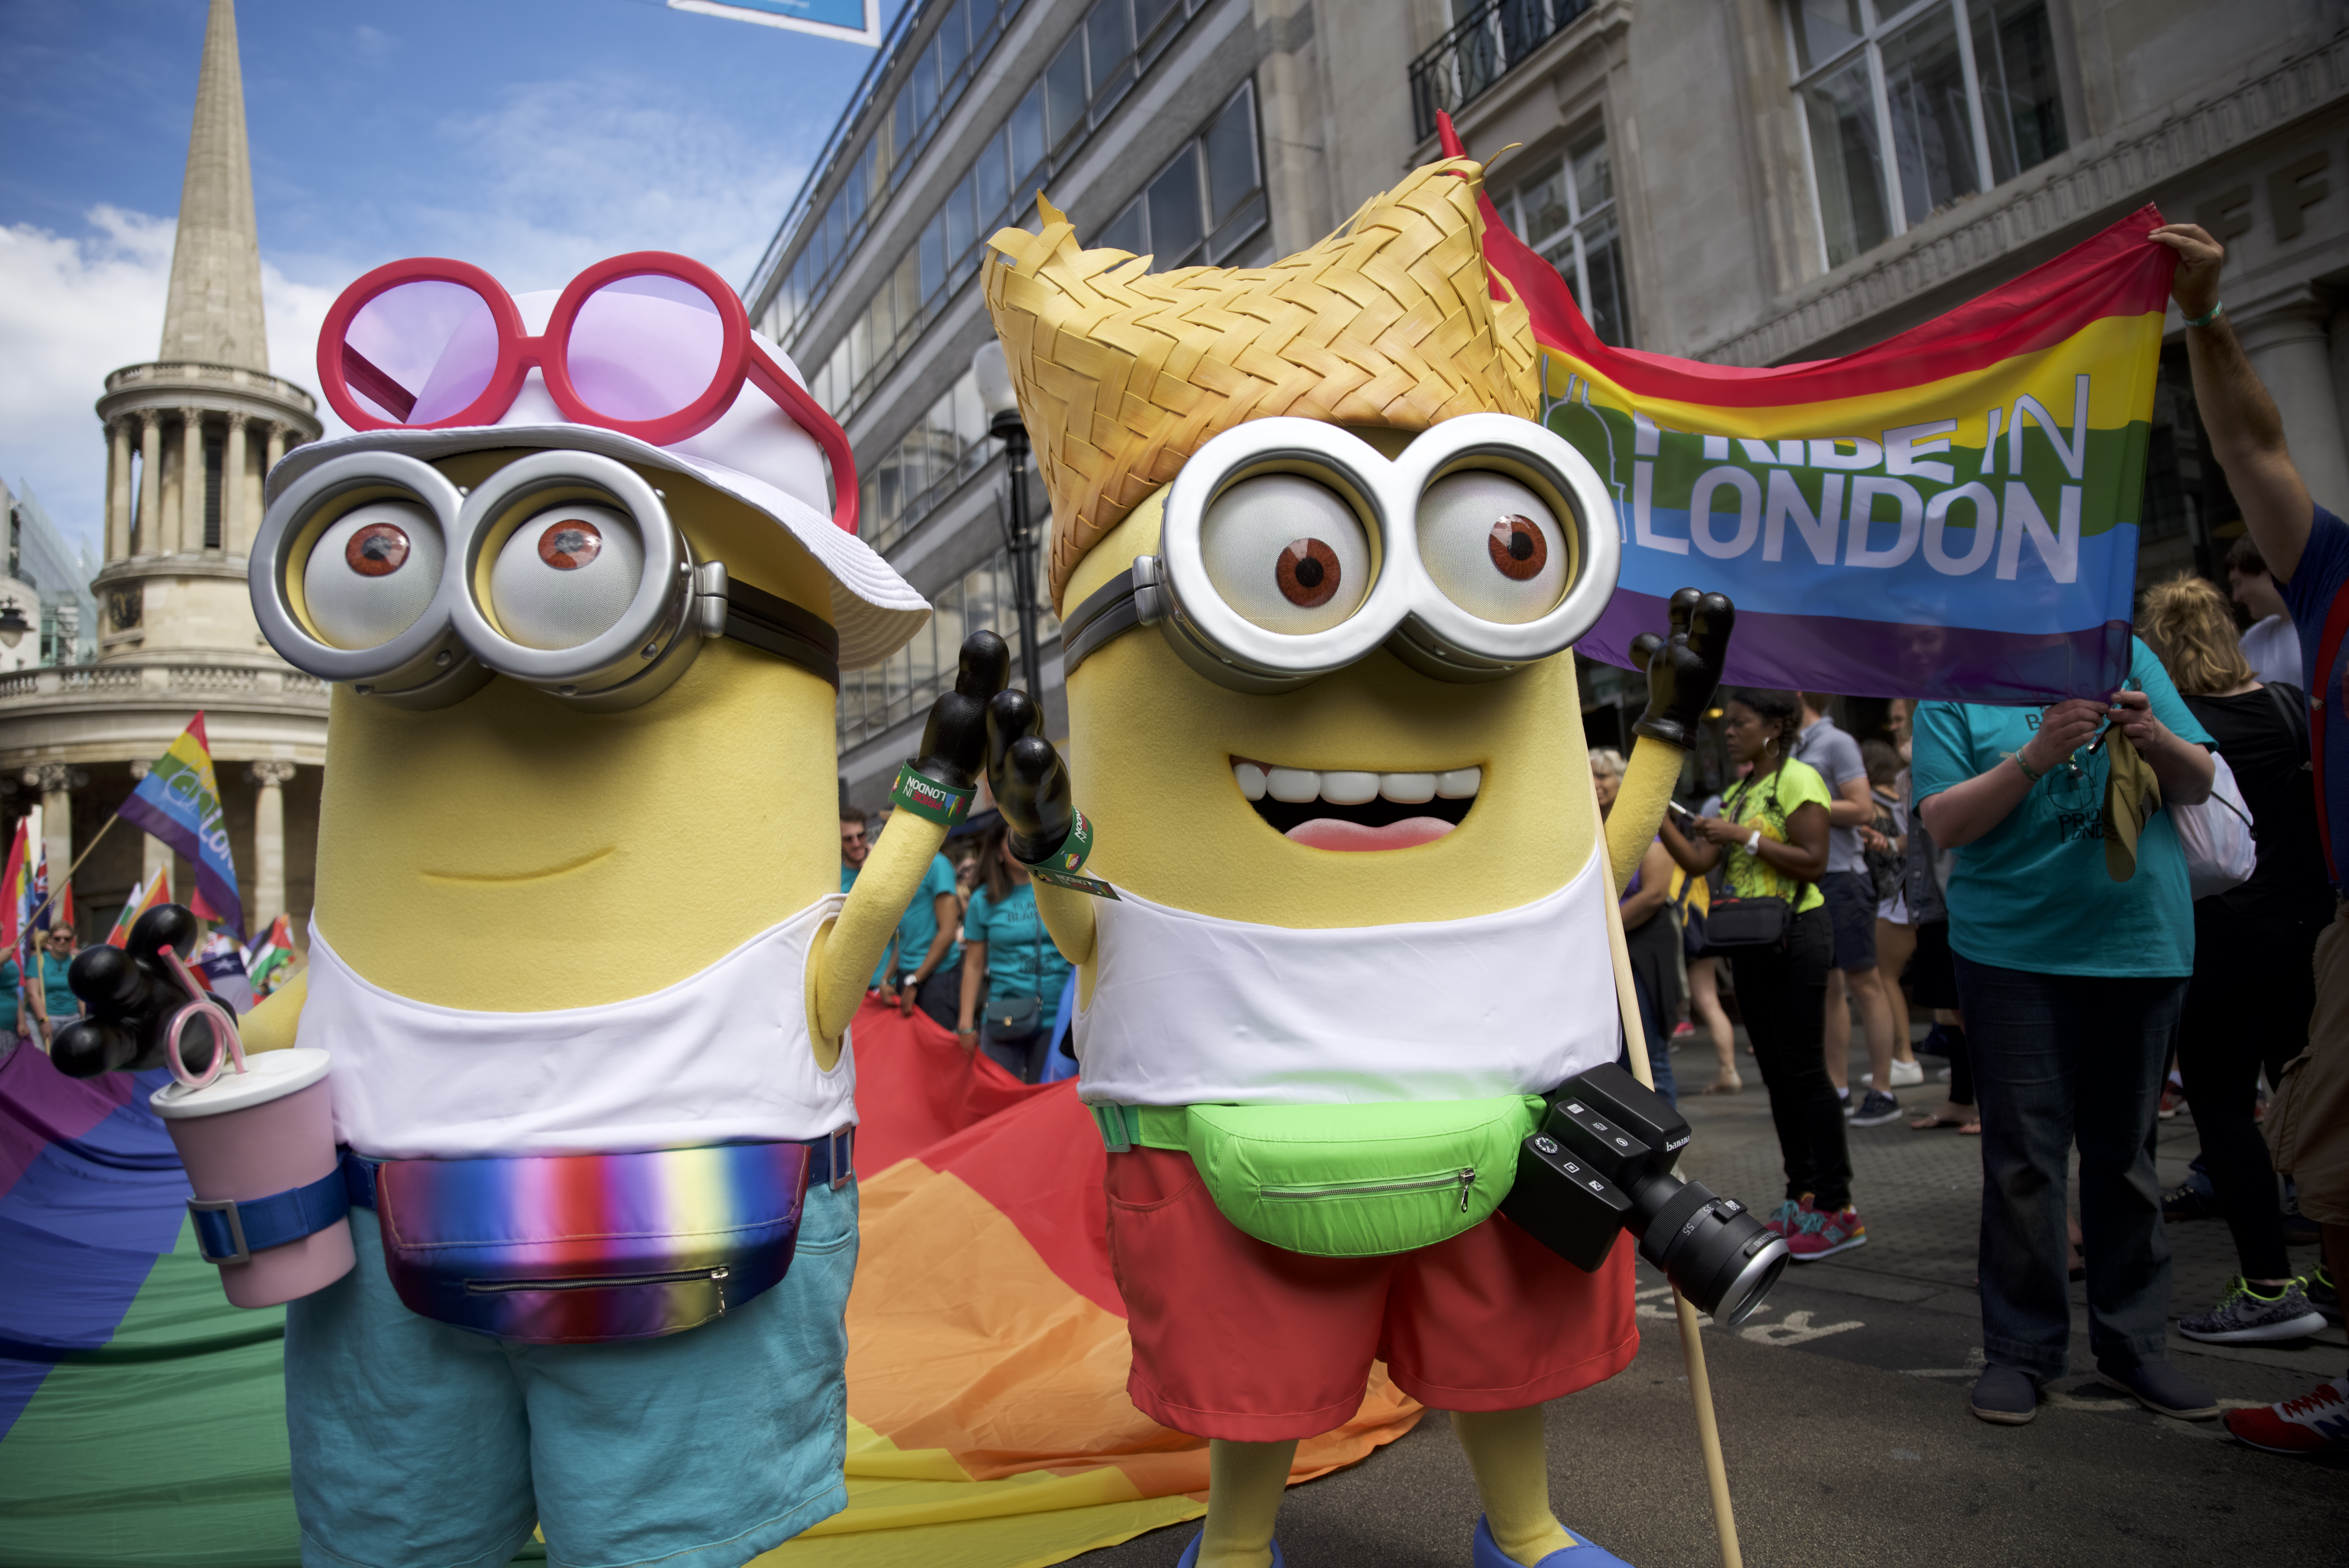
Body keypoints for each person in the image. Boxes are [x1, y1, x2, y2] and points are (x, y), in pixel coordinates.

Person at [1914, 617, 2218, 1426]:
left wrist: (2151, 733)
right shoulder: (1957, 677)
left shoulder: (2127, 656)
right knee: (2024, 1163)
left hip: (2138, 946)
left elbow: (2196, 780)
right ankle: (2020, 1351)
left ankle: (2133, 1347)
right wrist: (2033, 756)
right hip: (2012, 955)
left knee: (2124, 1159)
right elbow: (1943, 821)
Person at [2153, 219, 2349, 1452]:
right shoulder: (2332, 582)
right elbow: (2249, 443)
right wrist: (2206, 315)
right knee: (2328, 1165)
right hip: (2341, 930)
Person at [2139, 572, 2333, 1342]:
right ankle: (2331, 1272)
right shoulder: (2287, 705)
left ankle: (2263, 1286)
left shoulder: (2177, 733)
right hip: (2304, 928)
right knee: (2312, 1104)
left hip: (2217, 932)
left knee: (2224, 1110)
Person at [1661, 688, 1868, 1261]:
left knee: (1806, 1073)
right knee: (1777, 1075)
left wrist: (1745, 837)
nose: (1728, 732)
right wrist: (1659, 817)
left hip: (1797, 933)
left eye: (1740, 723)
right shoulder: (1738, 792)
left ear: (1775, 727)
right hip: (1749, 942)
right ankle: (1800, 1194)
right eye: (1725, 724)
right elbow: (1702, 864)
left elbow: (1814, 860)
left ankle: (1837, 1206)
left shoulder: (1799, 779)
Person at [1794, 693, 1902, 1127]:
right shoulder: (1790, 745)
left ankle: (1883, 1088)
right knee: (1827, 985)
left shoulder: (1835, 740)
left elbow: (1862, 807)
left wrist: (1802, 805)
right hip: (1812, 876)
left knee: (1865, 981)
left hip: (1843, 875)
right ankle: (1837, 1087)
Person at [955, 820, 1073, 1083]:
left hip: (1058, 1020)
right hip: (1004, 1018)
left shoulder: (1060, 888)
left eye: (1028, 839)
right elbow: (974, 965)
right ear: (997, 853)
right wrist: (965, 1024)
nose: (1023, 847)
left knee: (1048, 1108)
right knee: (997, 1104)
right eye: (1013, 841)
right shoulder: (982, 900)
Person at [1604, 755, 1680, 1104]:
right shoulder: (1585, 830)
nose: (1595, 783)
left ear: (1623, 782)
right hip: (1602, 958)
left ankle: (1667, 1153)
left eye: (1603, 775)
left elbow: (1654, 894)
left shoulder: (1642, 828)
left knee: (1648, 1055)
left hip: (1641, 953)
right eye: (1588, 775)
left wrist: (1602, 928)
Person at [1858, 732, 1923, 1092]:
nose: (1898, 730)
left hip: (1896, 899)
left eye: (1902, 720)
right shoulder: (1901, 786)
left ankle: (1905, 1058)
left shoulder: (1875, 799)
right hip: (1906, 895)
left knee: (1884, 977)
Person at [872, 814, 962, 1032]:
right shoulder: (899, 872)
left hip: (937, 978)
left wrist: (915, 981)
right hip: (908, 977)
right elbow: (904, 936)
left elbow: (948, 932)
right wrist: (886, 979)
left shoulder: (938, 864)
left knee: (940, 1057)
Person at [2230, 535, 2302, 688]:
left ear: (2269, 571)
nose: (2236, 597)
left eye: (2238, 583)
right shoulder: (2252, 639)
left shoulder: (2327, 628)